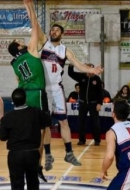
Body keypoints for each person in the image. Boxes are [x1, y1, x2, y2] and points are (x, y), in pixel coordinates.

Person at [36, 23, 103, 168]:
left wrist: (93, 70)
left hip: (56, 88)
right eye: (52, 29)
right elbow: (35, 25)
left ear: (62, 34)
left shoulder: (65, 50)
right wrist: (29, 6)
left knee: (64, 122)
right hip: (43, 89)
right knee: (46, 125)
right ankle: (48, 155)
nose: (53, 31)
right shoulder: (43, 43)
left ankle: (69, 153)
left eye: (57, 30)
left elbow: (79, 66)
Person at [8, 0, 51, 179]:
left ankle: (28, 164)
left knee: (27, 131)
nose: (22, 40)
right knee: (41, 131)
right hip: (37, 94)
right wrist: (29, 5)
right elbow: (35, 26)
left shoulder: (14, 63)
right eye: (19, 41)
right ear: (19, 47)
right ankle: (36, 165)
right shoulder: (31, 51)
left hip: (24, 96)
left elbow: (18, 79)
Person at [0, 88, 48, 190]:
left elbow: (2, 137)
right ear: (26, 99)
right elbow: (47, 121)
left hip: (15, 154)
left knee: (17, 184)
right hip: (32, 153)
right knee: (33, 183)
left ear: (12, 101)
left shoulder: (8, 117)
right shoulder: (35, 112)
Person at [68, 64, 103, 146]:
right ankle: (81, 140)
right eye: (88, 69)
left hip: (93, 103)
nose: (90, 72)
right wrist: (70, 66)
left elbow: (100, 92)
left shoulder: (97, 79)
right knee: (81, 122)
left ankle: (97, 140)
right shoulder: (81, 76)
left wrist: (99, 103)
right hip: (83, 103)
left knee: (95, 122)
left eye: (91, 69)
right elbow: (71, 73)